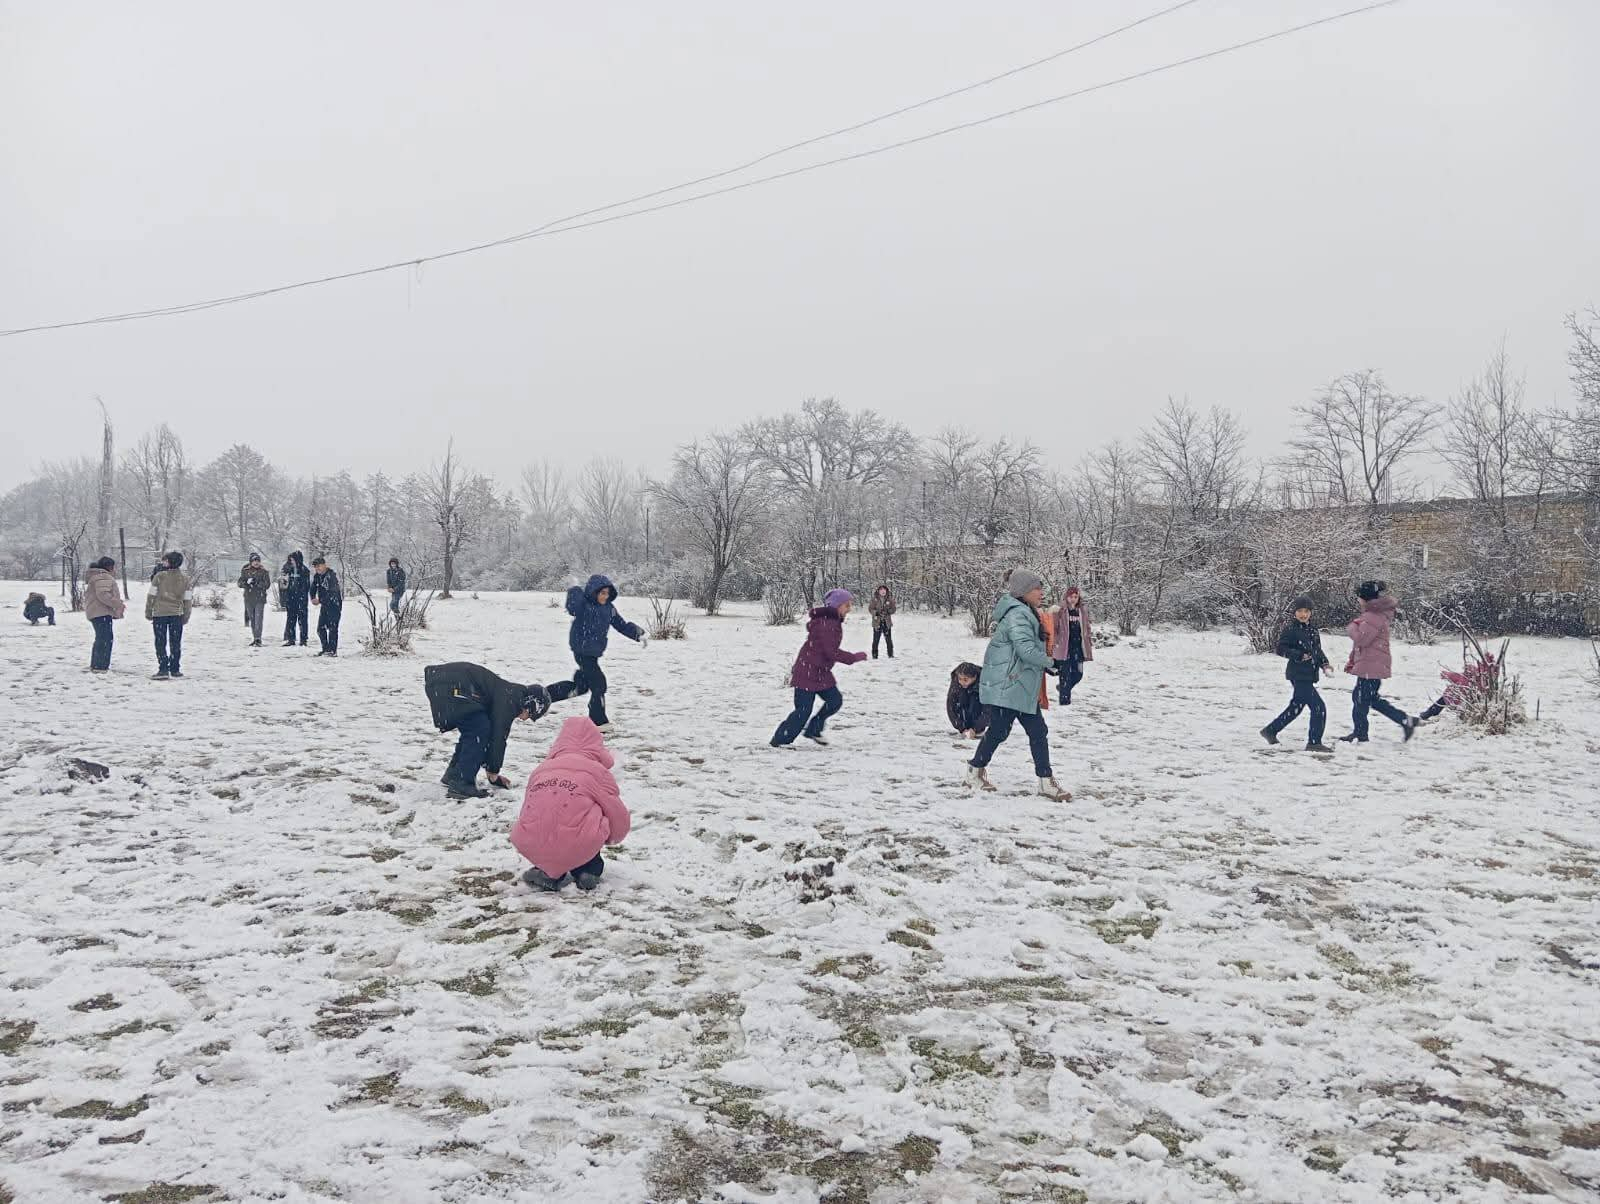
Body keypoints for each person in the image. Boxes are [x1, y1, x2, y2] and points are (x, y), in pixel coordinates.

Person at [964, 570, 1071, 799]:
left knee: (1035, 731)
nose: (1041, 592)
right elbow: (1025, 650)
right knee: (1001, 731)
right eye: (1036, 589)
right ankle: (974, 770)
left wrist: (1050, 666)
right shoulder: (1018, 615)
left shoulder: (1026, 612)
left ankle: (1044, 781)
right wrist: (1053, 663)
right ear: (1023, 592)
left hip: (1019, 686)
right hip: (1009, 685)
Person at [510, 716, 631, 892]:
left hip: (531, 840)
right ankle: (587, 870)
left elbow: (528, 808)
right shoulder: (597, 772)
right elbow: (616, 813)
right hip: (579, 843)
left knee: (549, 810)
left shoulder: (542, 769)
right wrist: (613, 837)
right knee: (590, 813)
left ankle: (547, 871)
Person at [424, 661, 552, 799]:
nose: (525, 719)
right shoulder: (511, 699)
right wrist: (493, 772)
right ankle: (462, 784)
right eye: (531, 715)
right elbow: (498, 737)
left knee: (476, 728)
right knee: (479, 730)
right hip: (451, 684)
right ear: (531, 704)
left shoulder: (510, 693)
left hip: (444, 681)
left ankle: (455, 775)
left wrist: (492, 770)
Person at [547, 574, 646, 731]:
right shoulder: (584, 605)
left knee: (582, 687)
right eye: (602, 593)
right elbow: (572, 607)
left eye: (607, 593)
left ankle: (544, 696)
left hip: (594, 652)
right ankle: (598, 721)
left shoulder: (609, 608)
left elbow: (621, 625)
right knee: (599, 684)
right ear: (594, 592)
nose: (605, 596)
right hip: (582, 651)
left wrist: (637, 633)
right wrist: (575, 589)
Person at [771, 588, 867, 747]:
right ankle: (780, 741)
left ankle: (814, 729)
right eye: (847, 605)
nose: (849, 609)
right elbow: (831, 652)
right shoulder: (827, 624)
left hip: (820, 672)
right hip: (807, 672)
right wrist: (853, 658)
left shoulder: (832, 621)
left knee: (834, 700)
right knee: (803, 711)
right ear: (837, 606)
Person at [1341, 580, 1418, 743]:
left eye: (1359, 598)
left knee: (1361, 699)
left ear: (1364, 598)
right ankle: (1404, 720)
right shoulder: (1374, 614)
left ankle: (1362, 733)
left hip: (1371, 665)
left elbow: (1362, 639)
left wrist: (1352, 627)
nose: (1358, 601)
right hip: (1371, 664)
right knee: (1367, 699)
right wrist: (1352, 661)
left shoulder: (1372, 616)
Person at [1259, 596, 1333, 751]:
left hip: (1309, 674)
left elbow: (1317, 650)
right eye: (1299, 611)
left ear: (1311, 613)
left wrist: (1325, 664)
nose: (1303, 614)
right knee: (1319, 707)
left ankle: (1270, 730)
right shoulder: (1291, 629)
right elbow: (1280, 649)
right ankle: (1314, 743)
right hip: (1298, 674)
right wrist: (1298, 655)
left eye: (1306, 611)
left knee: (1296, 707)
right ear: (1294, 613)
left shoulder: (1312, 630)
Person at [144, 551, 192, 680]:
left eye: (165, 561)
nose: (163, 563)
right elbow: (187, 599)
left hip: (160, 614)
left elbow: (151, 595)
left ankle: (163, 668)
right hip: (177, 613)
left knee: (160, 642)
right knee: (175, 642)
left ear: (170, 562)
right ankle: (175, 668)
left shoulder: (159, 577)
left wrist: (148, 611)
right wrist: (186, 615)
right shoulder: (185, 579)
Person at [1419, 650, 1498, 722]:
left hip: (1456, 695)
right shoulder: (1484, 675)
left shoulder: (1473, 675)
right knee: (1446, 703)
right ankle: (1430, 713)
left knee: (1442, 702)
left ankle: (1428, 713)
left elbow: (1455, 676)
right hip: (1466, 697)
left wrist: (1446, 674)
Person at [1049, 585, 1095, 705]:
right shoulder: (1060, 610)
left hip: (1078, 647)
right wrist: (1054, 642)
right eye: (1071, 596)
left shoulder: (1081, 610)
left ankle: (1063, 688)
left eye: (1076, 596)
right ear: (1066, 597)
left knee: (1078, 674)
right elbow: (1053, 627)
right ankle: (1065, 702)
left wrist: (1088, 639)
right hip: (1064, 647)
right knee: (1065, 675)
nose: (1073, 599)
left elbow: (1086, 627)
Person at [83, 557, 125, 671]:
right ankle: (101, 665)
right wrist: (117, 604)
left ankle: (96, 663)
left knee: (101, 638)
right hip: (101, 612)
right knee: (105, 639)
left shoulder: (96, 576)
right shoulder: (103, 576)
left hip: (96, 611)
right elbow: (103, 594)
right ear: (109, 566)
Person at [309, 556, 342, 657]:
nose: (317, 568)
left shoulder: (331, 576)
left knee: (332, 628)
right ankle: (325, 648)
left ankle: (332, 650)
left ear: (324, 565)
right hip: (324, 605)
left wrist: (320, 600)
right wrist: (313, 597)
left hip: (334, 605)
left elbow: (332, 592)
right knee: (320, 628)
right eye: (315, 567)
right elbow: (313, 587)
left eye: (319, 566)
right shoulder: (317, 576)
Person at [946, 661, 989, 737]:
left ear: (974, 677)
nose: (962, 682)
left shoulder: (985, 683)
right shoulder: (956, 682)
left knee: (975, 699)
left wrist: (976, 728)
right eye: (960, 679)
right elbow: (951, 705)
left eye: (965, 679)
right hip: (964, 717)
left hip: (979, 708)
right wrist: (961, 727)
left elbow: (988, 710)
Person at [237, 553, 272, 647]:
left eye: (258, 561)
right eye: (254, 561)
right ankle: (254, 637)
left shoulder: (264, 571)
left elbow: (267, 584)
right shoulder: (245, 571)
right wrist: (246, 583)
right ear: (251, 562)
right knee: (252, 619)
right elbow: (239, 583)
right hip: (249, 598)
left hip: (259, 598)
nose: (256, 563)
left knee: (258, 619)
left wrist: (257, 583)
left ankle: (258, 638)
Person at [280, 551, 311, 647]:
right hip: (291, 598)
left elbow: (306, 586)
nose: (292, 562)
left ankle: (303, 639)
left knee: (302, 620)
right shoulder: (289, 569)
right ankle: (291, 639)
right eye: (290, 560)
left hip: (301, 599)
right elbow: (283, 581)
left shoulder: (304, 570)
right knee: (291, 619)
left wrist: (301, 594)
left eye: (293, 560)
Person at [867, 584, 896, 659]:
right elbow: (870, 609)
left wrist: (888, 611)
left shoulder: (890, 599)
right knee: (876, 639)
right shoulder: (874, 599)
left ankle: (890, 654)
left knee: (888, 639)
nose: (883, 591)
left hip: (887, 622)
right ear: (878, 591)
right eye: (881, 590)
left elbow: (893, 609)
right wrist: (876, 612)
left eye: (884, 590)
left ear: (886, 591)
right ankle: (874, 655)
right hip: (877, 622)